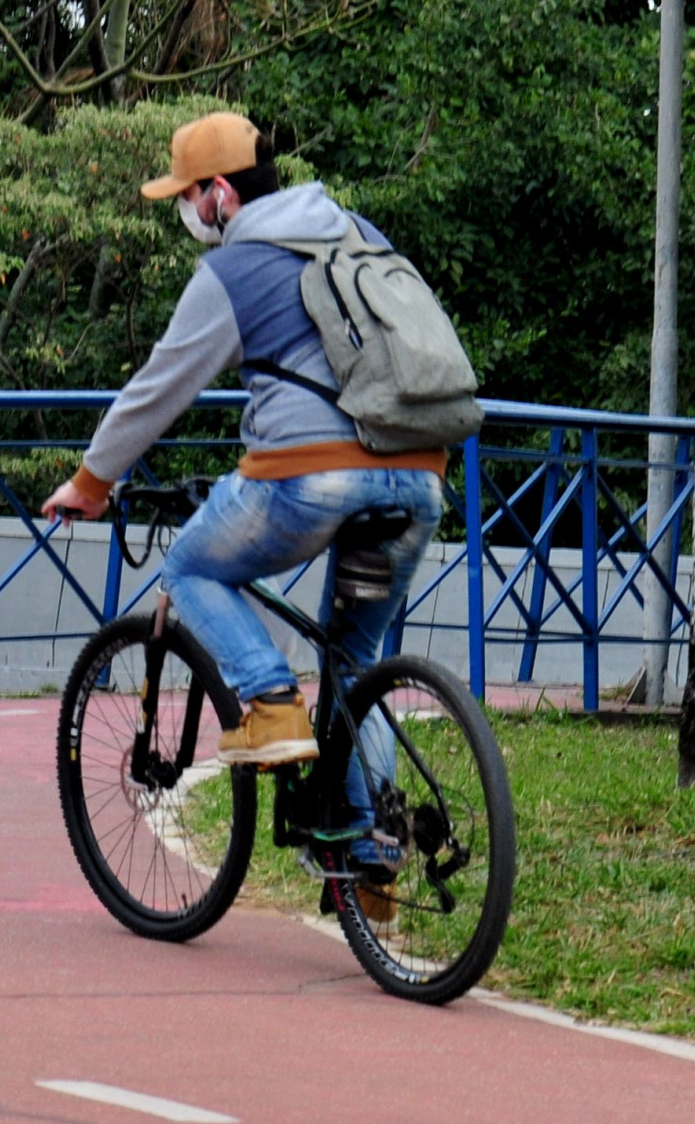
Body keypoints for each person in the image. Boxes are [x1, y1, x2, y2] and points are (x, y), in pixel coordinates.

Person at [41, 112, 445, 877]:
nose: (185, 213)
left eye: (187, 196)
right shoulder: (352, 230)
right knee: (355, 657)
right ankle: (367, 842)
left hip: (312, 476)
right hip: (421, 471)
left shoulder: (233, 269)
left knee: (191, 567)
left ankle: (269, 702)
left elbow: (159, 389)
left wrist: (92, 481)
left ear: (220, 193)